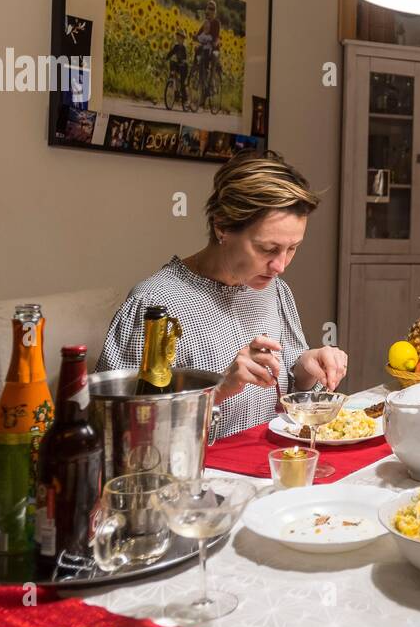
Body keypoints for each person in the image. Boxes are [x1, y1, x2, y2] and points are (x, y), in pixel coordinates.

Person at [97, 150, 347, 437]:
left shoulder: (273, 291)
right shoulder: (155, 306)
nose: (280, 266)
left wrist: (307, 368)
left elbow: (289, 397)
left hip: (266, 470)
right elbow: (117, 429)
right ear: (222, 227)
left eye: (292, 248)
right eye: (267, 249)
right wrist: (219, 390)